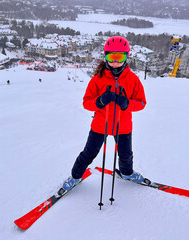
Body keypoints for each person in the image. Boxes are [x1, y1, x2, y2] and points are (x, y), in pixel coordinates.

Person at [62, 36, 147, 191]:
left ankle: (127, 173)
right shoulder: (97, 80)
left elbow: (141, 103)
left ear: (126, 57)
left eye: (119, 57)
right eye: (111, 57)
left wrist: (127, 104)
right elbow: (86, 102)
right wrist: (99, 102)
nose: (115, 61)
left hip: (123, 126)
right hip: (100, 125)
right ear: (105, 57)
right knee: (89, 153)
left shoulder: (133, 80)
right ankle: (75, 176)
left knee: (126, 155)